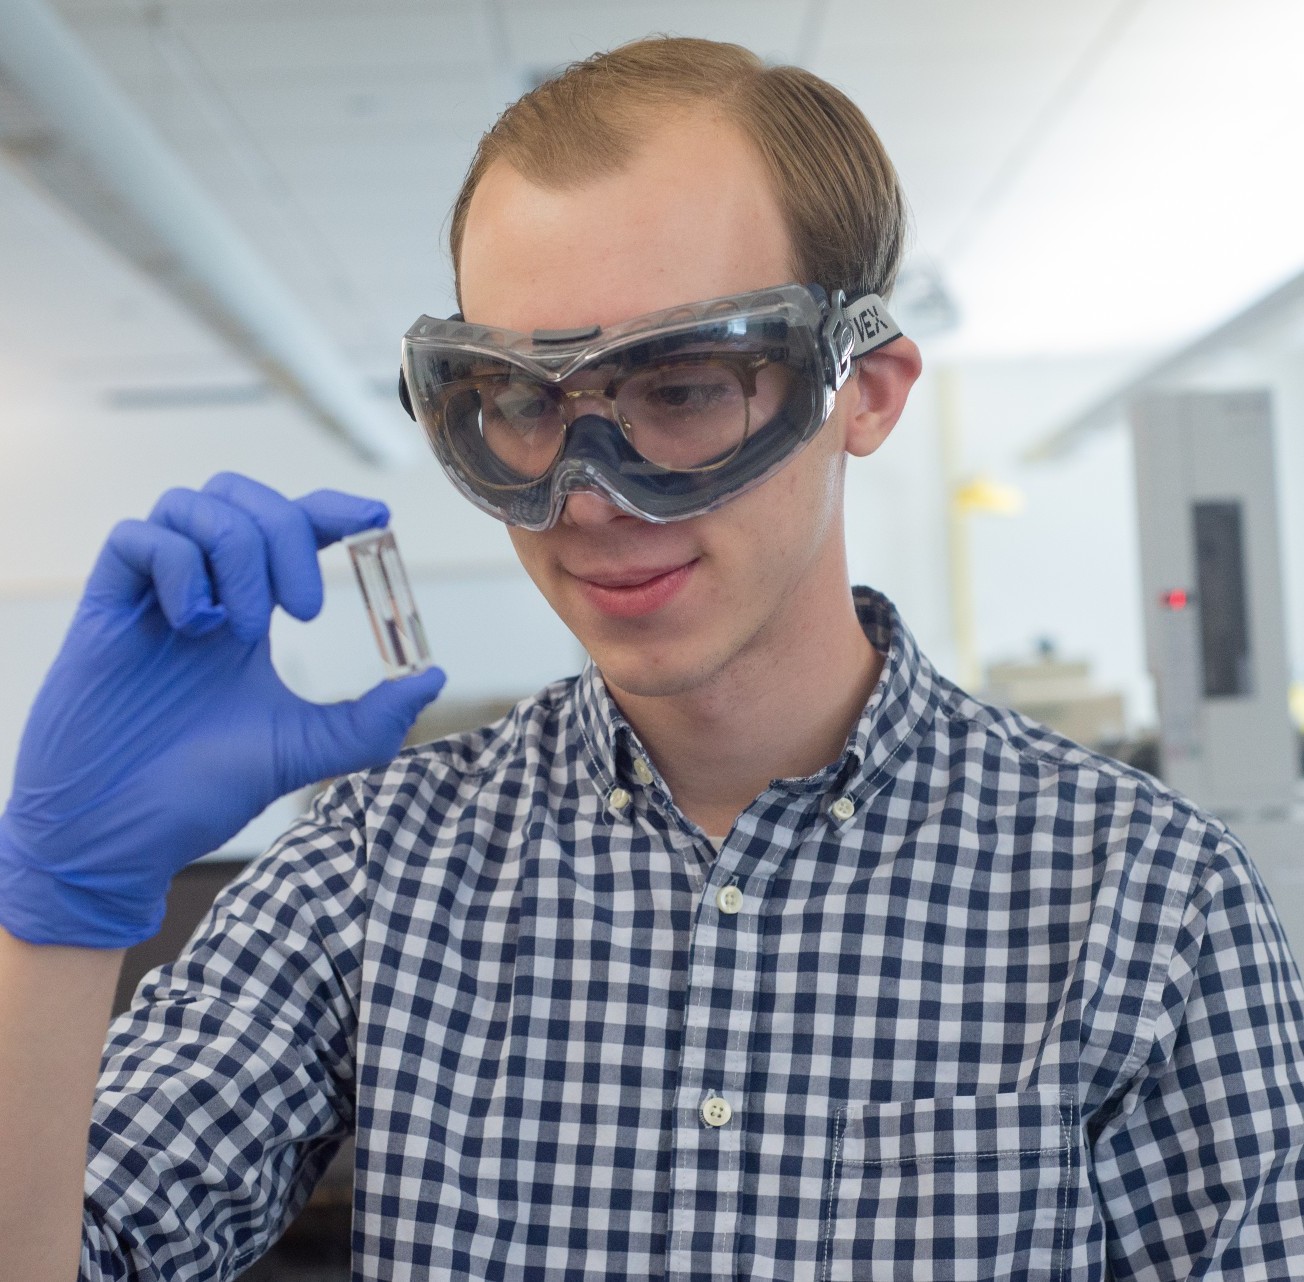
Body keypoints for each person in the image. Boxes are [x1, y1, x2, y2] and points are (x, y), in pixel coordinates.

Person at [2, 34, 1303, 1282]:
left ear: (866, 390)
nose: (587, 498)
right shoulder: (373, 874)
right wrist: (57, 913)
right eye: (517, 403)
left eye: (683, 390)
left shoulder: (1143, 902)